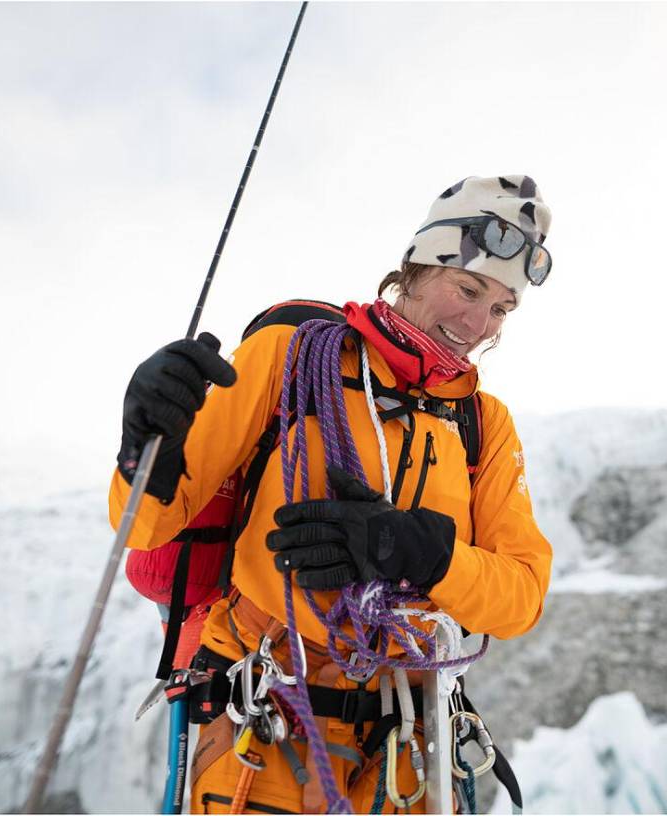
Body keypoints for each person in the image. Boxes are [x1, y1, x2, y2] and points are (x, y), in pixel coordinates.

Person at [110, 175, 554, 814]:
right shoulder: (290, 356)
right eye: (468, 288)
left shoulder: (483, 425)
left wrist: (422, 553)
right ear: (418, 269)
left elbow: (520, 597)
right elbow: (145, 525)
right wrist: (146, 446)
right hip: (267, 703)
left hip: (408, 725)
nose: (478, 322)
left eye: (501, 308)